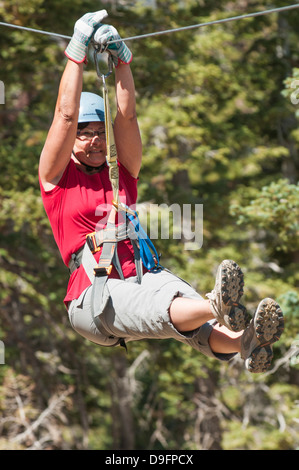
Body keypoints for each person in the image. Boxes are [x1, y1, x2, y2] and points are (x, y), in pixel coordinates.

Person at [39, 10, 284, 373]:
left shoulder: (120, 172)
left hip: (139, 272)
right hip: (95, 293)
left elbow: (127, 117)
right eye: (84, 133)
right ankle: (218, 304)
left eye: (99, 132)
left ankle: (243, 344)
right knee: (166, 306)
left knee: (186, 309)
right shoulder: (56, 181)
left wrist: (123, 61)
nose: (93, 140)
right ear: (72, 139)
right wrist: (76, 53)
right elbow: (64, 115)